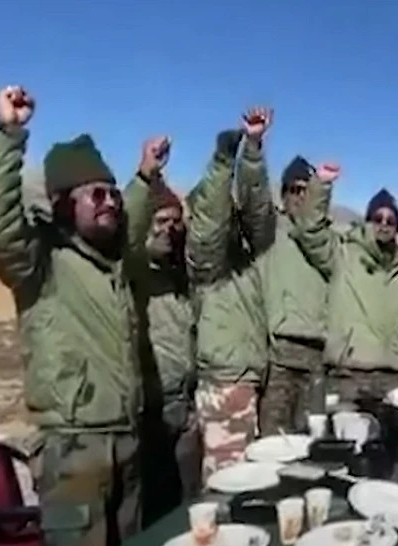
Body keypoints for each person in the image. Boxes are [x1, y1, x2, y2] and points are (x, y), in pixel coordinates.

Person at [0, 85, 166, 546]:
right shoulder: (41, 262)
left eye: (110, 193)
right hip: (75, 453)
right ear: (60, 204)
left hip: (126, 444)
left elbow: (128, 222)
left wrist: (142, 178)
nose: (108, 203)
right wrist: (6, 136)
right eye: (94, 194)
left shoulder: (111, 264)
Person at [188, 111, 274, 478]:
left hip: (252, 375)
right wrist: (224, 160)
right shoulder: (206, 262)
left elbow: (258, 210)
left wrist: (253, 149)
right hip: (225, 382)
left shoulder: (250, 255)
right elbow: (210, 221)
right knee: (228, 486)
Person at [293, 170, 398, 401]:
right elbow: (310, 230)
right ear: (368, 221)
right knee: (352, 436)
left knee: (393, 437)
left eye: (391, 221)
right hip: (349, 377)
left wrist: (397, 339)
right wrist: (321, 186)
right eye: (378, 218)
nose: (384, 225)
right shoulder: (343, 253)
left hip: (391, 379)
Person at [139, 181, 202, 521]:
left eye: (175, 222)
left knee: (189, 504)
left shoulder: (180, 275)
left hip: (185, 407)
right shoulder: (133, 275)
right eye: (161, 221)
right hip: (150, 414)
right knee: (154, 510)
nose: (169, 230)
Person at [256, 145, 330, 432]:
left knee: (314, 439)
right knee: (274, 440)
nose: (299, 197)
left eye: (305, 190)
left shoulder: (329, 240)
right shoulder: (268, 233)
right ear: (283, 195)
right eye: (294, 190)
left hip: (318, 355)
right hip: (278, 355)